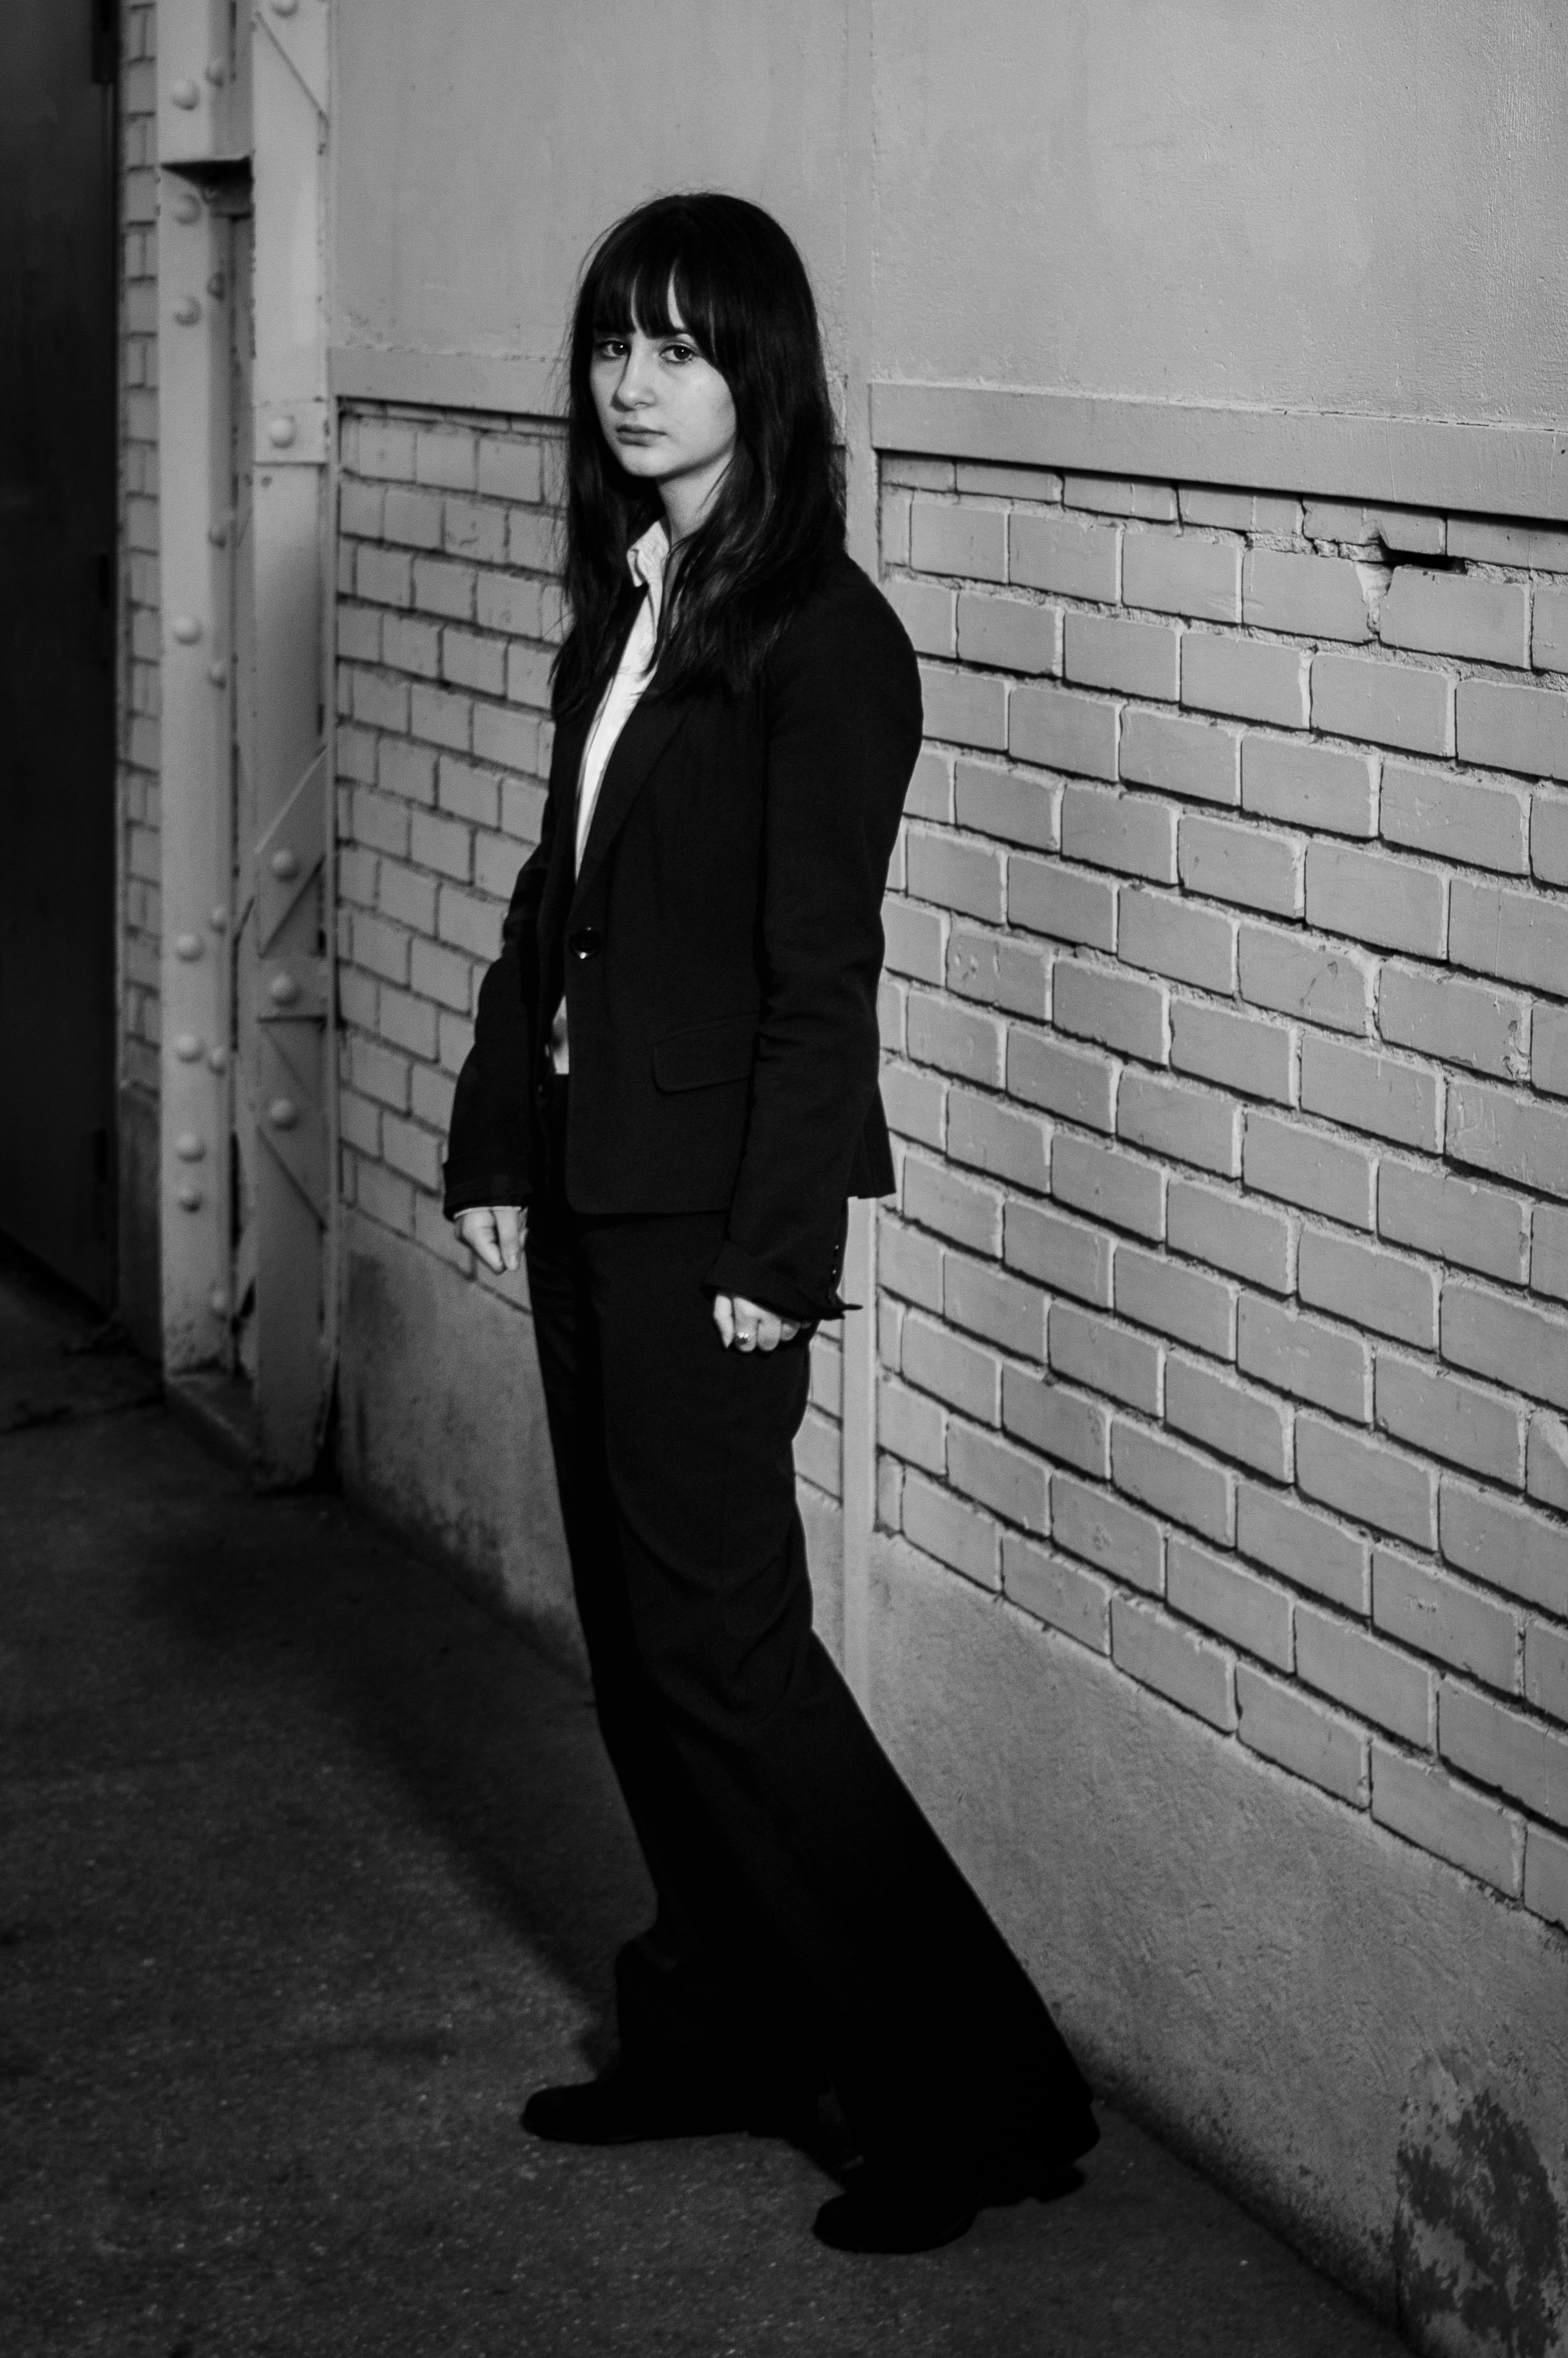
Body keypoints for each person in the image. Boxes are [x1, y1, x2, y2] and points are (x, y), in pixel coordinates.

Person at [444, 191, 1096, 2253]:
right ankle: (716, 2027)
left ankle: (971, 2098)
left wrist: (771, 1260)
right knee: (643, 1655)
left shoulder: (828, 640)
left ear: (760, 373)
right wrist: (492, 1138)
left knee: (730, 1662)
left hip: (705, 1225)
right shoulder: (629, 608)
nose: (633, 384)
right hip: (585, 1185)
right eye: (610, 344)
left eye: (680, 348)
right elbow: (555, 904)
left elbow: (824, 979)